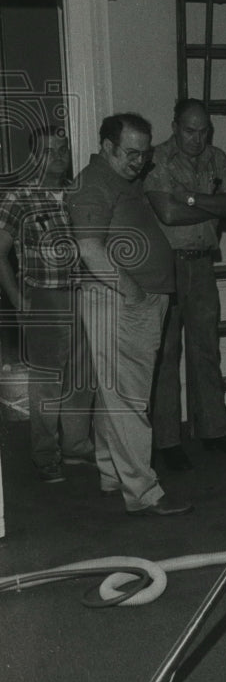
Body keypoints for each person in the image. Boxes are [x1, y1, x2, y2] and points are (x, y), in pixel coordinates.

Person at [67, 113, 192, 516]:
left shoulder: (121, 178)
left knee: (115, 394)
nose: (139, 162)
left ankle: (111, 474)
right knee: (130, 399)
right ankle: (144, 492)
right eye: (131, 153)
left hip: (134, 299)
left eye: (145, 154)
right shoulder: (93, 183)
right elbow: (90, 250)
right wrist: (134, 292)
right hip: (119, 301)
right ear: (107, 147)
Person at [144, 98, 226, 470]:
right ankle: (167, 441)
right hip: (166, 268)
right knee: (167, 354)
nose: (197, 138)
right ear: (175, 126)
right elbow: (168, 213)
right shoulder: (156, 159)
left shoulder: (216, 158)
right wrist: (211, 204)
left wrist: (190, 198)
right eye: (190, 130)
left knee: (207, 349)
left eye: (203, 130)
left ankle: (214, 432)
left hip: (203, 265)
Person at [0, 126, 94, 483]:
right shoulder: (18, 199)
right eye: (50, 151)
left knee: (81, 377)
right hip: (43, 296)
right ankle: (45, 454)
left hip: (82, 294)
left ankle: (76, 446)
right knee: (47, 381)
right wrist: (19, 300)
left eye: (63, 149)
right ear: (34, 156)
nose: (59, 157)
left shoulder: (77, 194)